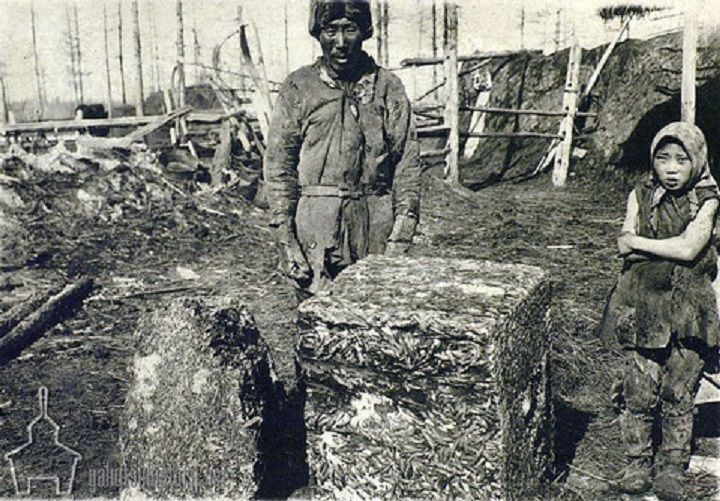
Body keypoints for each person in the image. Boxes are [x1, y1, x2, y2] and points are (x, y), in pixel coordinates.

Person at [263, 0, 421, 299]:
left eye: (350, 29)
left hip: (376, 225)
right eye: (330, 30)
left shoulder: (388, 86)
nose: (340, 42)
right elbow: (279, 167)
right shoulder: (299, 86)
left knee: (376, 315)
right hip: (316, 228)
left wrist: (402, 233)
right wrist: (285, 239)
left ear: (364, 32)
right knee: (316, 318)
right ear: (317, 33)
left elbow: (406, 163)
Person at [600, 122, 720, 500]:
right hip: (644, 302)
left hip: (690, 307)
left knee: (678, 390)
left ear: (697, 161)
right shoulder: (639, 195)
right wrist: (657, 245)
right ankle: (637, 463)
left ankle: (671, 467)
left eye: (681, 160)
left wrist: (642, 244)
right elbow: (622, 244)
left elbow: (689, 249)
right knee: (638, 389)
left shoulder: (707, 199)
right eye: (662, 158)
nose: (670, 168)